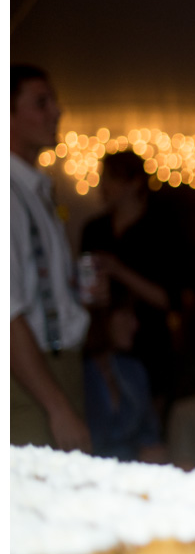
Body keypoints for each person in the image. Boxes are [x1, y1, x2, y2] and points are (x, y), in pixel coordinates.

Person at [10, 64, 92, 452]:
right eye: (41, 103)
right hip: (28, 382)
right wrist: (58, 408)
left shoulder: (35, 189)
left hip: (61, 371)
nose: (57, 112)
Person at [81, 150, 181, 426]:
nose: (103, 187)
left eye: (110, 179)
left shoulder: (160, 229)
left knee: (147, 429)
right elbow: (83, 290)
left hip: (149, 349)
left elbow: (169, 298)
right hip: (102, 348)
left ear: (134, 182)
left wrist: (118, 270)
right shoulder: (95, 230)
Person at [82, 290, 168, 463]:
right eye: (125, 314)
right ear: (102, 318)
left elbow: (149, 432)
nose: (135, 324)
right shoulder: (78, 375)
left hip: (134, 472)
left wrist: (155, 451)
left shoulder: (132, 370)